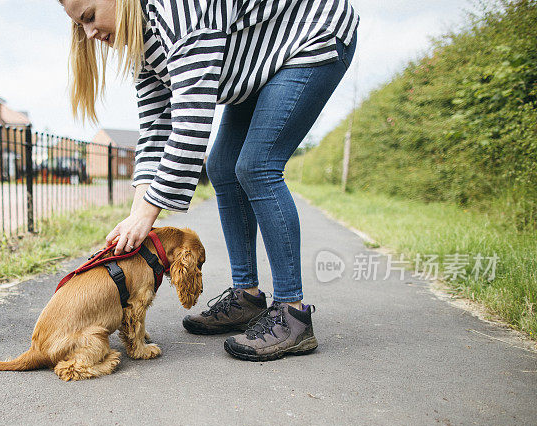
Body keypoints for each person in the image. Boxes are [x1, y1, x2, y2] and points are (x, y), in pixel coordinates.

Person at [62, 0, 358, 361]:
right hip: (257, 65)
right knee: (221, 166)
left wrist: (147, 217)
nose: (90, 34)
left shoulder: (177, 13)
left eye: (90, 17)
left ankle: (292, 316)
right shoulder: (140, 43)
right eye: (80, 26)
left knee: (256, 165)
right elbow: (157, 129)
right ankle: (247, 297)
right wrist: (135, 212)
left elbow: (191, 121)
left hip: (311, 35)